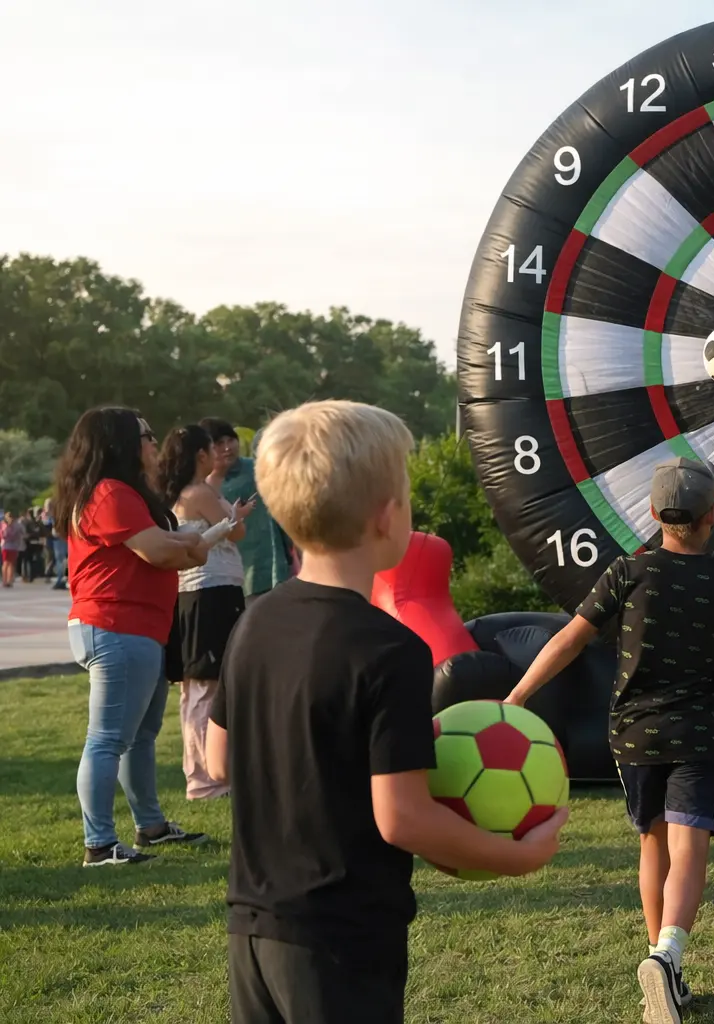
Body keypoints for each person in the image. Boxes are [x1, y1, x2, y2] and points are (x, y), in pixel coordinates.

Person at [204, 400, 566, 1024]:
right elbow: (402, 819)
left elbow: (218, 758)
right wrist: (521, 854)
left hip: (252, 927)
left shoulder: (255, 620)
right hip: (342, 937)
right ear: (387, 516)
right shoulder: (391, 647)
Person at [505, 455, 714, 1024]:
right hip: (694, 733)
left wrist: (518, 696)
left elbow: (569, 640)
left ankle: (664, 973)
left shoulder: (627, 572)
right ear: (712, 516)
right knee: (690, 849)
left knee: (652, 845)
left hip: (631, 735)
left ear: (653, 514)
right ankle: (667, 956)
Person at [53, 408, 212, 867]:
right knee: (107, 740)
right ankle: (99, 845)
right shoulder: (109, 492)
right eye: (146, 435)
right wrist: (189, 546)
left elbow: (172, 551)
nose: (153, 443)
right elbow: (160, 551)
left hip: (138, 628)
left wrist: (185, 546)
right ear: (120, 444)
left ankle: (151, 826)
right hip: (116, 627)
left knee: (140, 736)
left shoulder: (121, 493)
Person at [156, 424, 254, 800]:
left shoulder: (193, 490)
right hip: (209, 592)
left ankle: (203, 774)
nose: (221, 451)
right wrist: (235, 514)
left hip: (205, 592)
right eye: (214, 446)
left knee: (199, 688)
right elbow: (235, 531)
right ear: (201, 454)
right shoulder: (199, 492)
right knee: (205, 687)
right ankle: (206, 780)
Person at [200, 418, 294, 600]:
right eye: (220, 443)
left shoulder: (258, 470)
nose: (228, 447)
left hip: (266, 563)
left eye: (231, 440)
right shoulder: (200, 487)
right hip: (224, 572)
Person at [0, 509, 22, 587]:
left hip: (6, 546)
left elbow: (2, 536)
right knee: (11, 564)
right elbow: (20, 535)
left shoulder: (3, 525)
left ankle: (5, 581)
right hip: (13, 546)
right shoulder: (17, 525)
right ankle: (9, 580)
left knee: (6, 564)